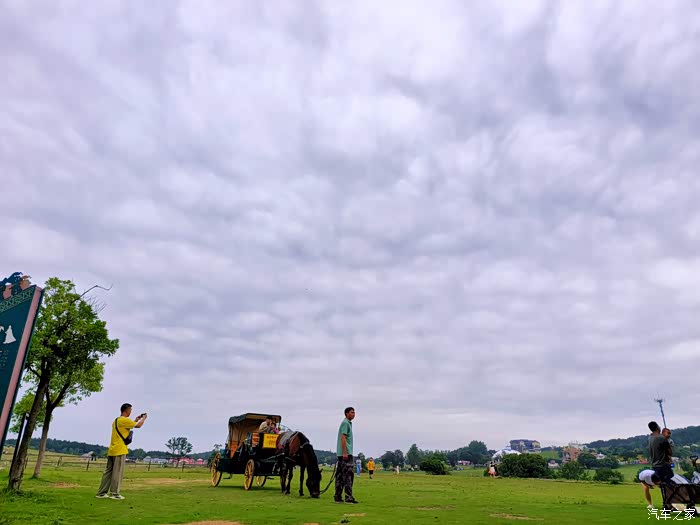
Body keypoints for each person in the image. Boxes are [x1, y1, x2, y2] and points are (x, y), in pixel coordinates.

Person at [96, 403, 147, 500]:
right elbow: (138, 426)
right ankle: (115, 493)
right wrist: (143, 418)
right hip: (120, 450)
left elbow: (127, 427)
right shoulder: (124, 420)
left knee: (108, 472)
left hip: (112, 449)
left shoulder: (116, 420)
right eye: (130, 410)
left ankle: (101, 493)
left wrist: (136, 419)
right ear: (127, 410)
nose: (131, 412)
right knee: (117, 472)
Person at [335, 407, 358, 504]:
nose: (354, 414)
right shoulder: (345, 423)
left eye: (354, 412)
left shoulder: (347, 423)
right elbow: (343, 437)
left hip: (341, 454)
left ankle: (338, 497)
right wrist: (345, 452)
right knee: (348, 475)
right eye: (352, 412)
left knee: (340, 476)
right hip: (346, 454)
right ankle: (348, 497)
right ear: (346, 413)